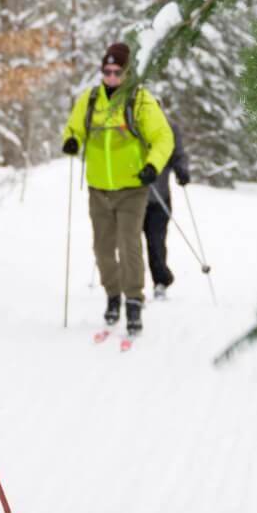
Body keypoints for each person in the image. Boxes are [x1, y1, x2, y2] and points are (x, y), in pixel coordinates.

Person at [60, 43, 173, 337]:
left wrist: (152, 165)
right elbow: (74, 128)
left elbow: (163, 138)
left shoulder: (140, 101)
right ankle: (113, 296)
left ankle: (133, 301)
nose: (110, 76)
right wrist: (71, 140)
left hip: (132, 188)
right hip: (98, 188)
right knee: (102, 249)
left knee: (129, 245)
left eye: (116, 72)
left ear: (127, 72)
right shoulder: (91, 99)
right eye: (106, 71)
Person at [143, 108, 191, 300]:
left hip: (159, 197)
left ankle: (160, 282)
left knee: (156, 241)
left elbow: (177, 154)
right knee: (129, 245)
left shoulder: (169, 127)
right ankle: (130, 287)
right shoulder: (131, 127)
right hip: (130, 197)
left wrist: (182, 170)